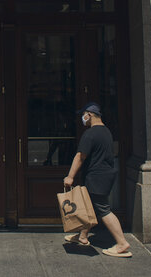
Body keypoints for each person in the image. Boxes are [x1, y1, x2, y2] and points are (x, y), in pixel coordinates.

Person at [63, 102, 132, 258]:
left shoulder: (90, 134)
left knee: (103, 209)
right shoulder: (106, 131)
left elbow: (80, 156)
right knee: (90, 206)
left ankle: (122, 243)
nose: (82, 118)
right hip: (104, 175)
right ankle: (82, 236)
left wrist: (70, 176)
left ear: (89, 114)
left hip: (96, 177)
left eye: (83, 115)